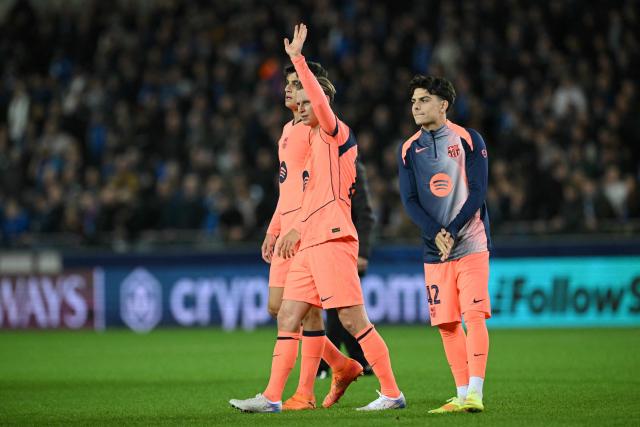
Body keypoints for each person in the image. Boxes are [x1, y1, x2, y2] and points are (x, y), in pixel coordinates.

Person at [230, 23, 406, 413]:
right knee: (288, 314)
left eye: (309, 101)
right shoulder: (307, 148)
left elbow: (320, 108)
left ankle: (392, 392)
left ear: (322, 102)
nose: (302, 106)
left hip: (333, 238)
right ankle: (272, 397)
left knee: (352, 319)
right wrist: (287, 228)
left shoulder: (334, 132)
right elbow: (303, 197)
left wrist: (297, 59)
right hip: (309, 240)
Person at [259, 59, 362, 410]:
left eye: (295, 83)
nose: (289, 88)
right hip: (285, 227)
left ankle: (304, 393)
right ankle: (339, 363)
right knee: (278, 307)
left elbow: (313, 188)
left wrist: (296, 228)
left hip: (306, 229)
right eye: (287, 84)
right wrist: (274, 227)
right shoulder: (289, 131)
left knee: (309, 313)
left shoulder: (314, 129)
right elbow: (287, 185)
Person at [397, 75, 491, 413]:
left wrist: (449, 229)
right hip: (434, 251)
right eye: (413, 102)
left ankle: (476, 393)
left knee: (474, 315)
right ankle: (462, 393)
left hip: (471, 244)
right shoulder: (409, 148)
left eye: (423, 100)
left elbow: (478, 192)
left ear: (443, 104)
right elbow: (408, 200)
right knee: (447, 324)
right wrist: (436, 232)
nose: (416, 107)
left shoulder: (468, 139)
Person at [317, 159, 375, 378]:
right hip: (321, 246)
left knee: (336, 309)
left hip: (344, 248)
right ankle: (360, 360)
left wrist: (362, 253)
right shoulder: (316, 164)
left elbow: (366, 214)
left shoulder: (350, 166)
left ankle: (325, 364)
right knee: (344, 311)